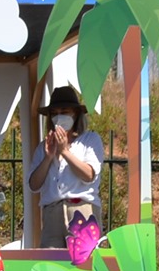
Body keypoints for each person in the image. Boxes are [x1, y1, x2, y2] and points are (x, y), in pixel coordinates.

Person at [25, 89, 105, 248]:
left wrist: (64, 152)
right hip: (52, 213)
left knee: (83, 266)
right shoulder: (44, 147)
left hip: (81, 209)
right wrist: (48, 157)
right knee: (52, 266)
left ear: (75, 114)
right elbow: (34, 185)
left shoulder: (89, 140)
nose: (59, 116)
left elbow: (89, 175)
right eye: (54, 113)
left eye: (64, 111)